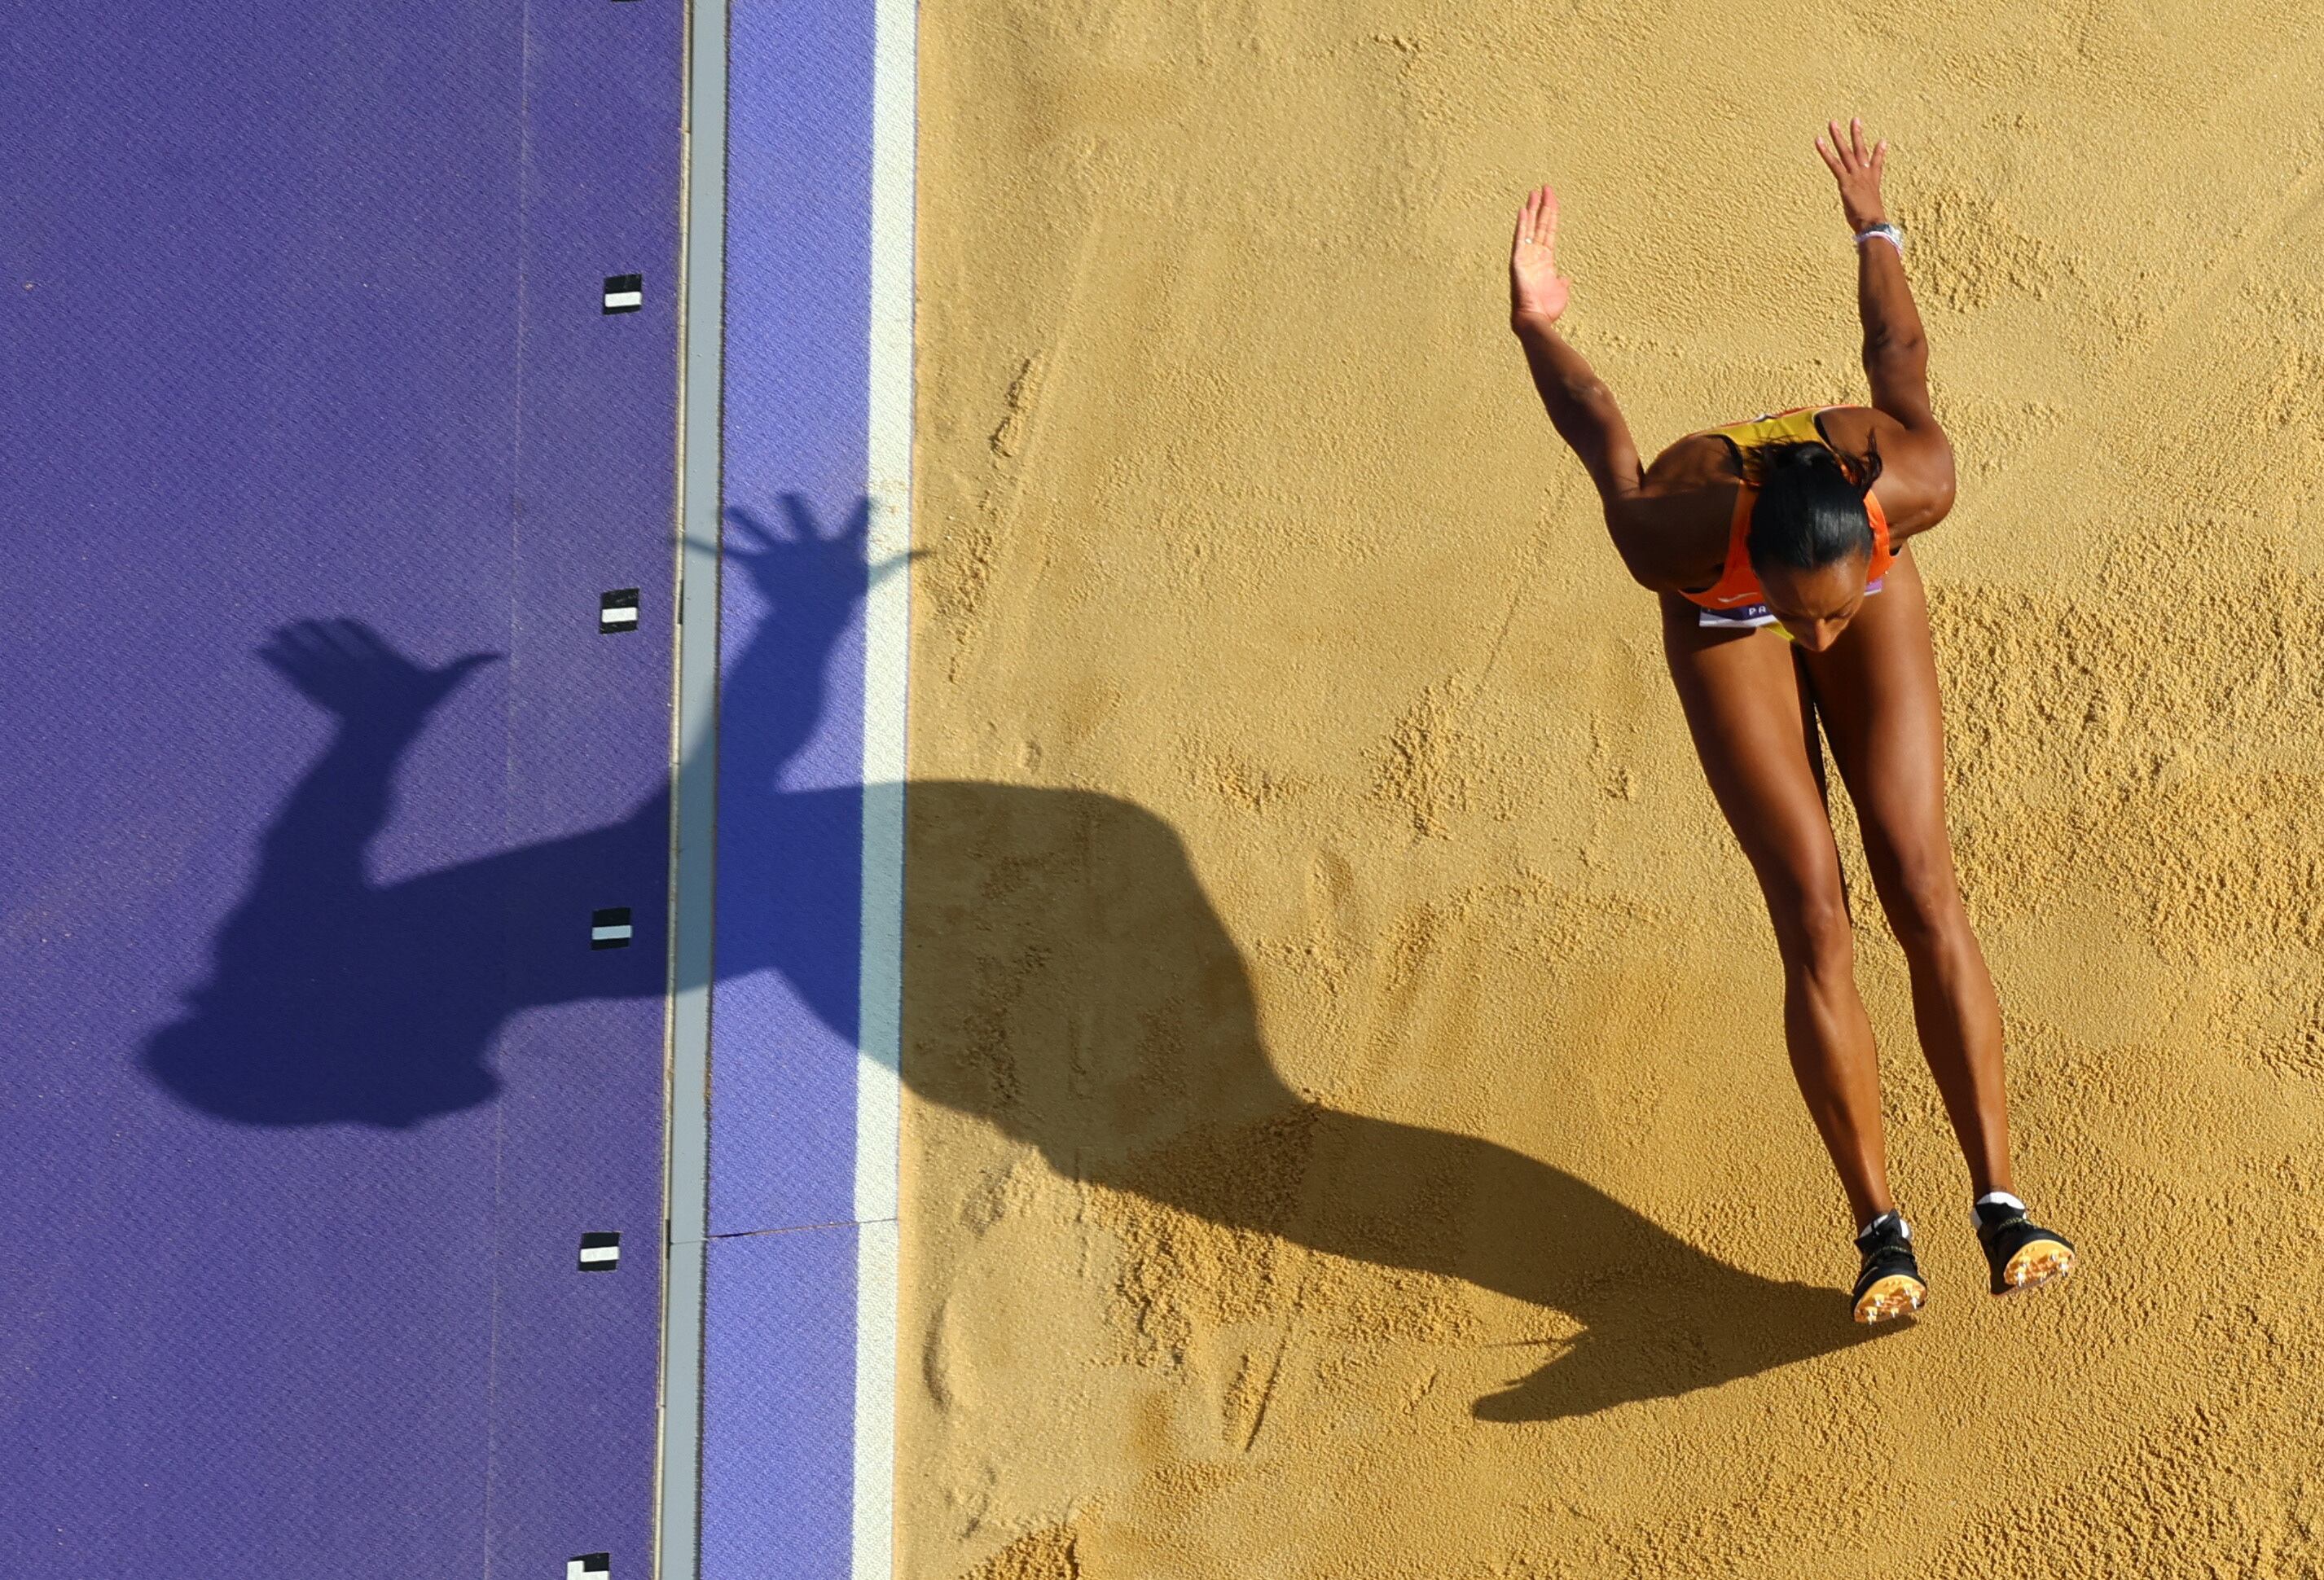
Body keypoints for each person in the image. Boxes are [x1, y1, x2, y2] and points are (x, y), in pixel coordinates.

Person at [1506, 119, 2074, 1323]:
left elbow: (1896, 353)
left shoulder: (1906, 483)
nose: (1810, 647)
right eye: (1796, 623)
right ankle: (1879, 1232)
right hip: (1721, 619)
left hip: (1829, 560)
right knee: (1812, 911)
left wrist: (1873, 224)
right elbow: (1599, 424)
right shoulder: (1670, 534)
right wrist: (1534, 322)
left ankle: (2001, 1202)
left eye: (1822, 624)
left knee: (1921, 883)